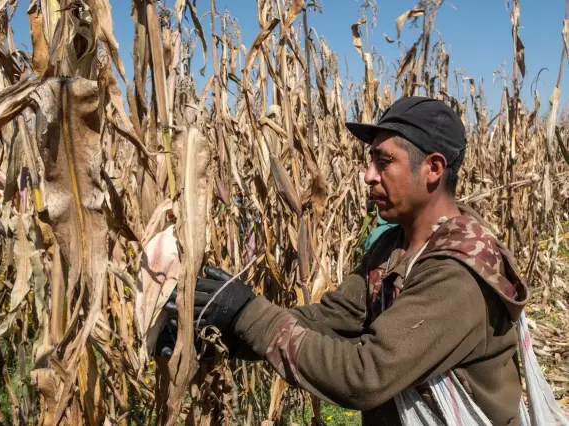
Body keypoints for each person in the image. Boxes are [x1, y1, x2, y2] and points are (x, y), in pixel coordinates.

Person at [157, 96, 529, 425]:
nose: (368, 176)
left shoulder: (457, 275)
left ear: (433, 168)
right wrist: (224, 327)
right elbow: (331, 320)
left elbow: (365, 377)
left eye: (384, 162)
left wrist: (249, 315)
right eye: (371, 162)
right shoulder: (393, 248)